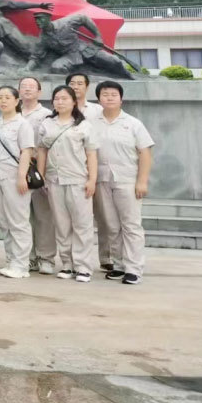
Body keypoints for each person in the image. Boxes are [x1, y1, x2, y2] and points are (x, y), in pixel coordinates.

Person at [94, 80, 154, 285]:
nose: (109, 98)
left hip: (127, 180)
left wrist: (142, 181)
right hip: (102, 180)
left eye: (113, 94)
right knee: (111, 225)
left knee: (131, 225)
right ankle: (119, 265)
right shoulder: (93, 122)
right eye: (105, 94)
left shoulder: (133, 123)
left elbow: (145, 152)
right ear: (99, 98)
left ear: (121, 98)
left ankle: (134, 268)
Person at [37, 85, 99, 283]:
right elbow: (42, 151)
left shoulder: (83, 125)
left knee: (82, 225)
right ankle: (66, 264)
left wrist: (92, 180)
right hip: (54, 180)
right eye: (57, 98)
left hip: (78, 180)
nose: (60, 102)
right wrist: (41, 176)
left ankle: (83, 266)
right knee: (62, 225)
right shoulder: (47, 124)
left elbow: (91, 154)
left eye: (64, 98)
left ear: (74, 102)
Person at [0, 85, 36, 279]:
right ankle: (11, 259)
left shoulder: (22, 124)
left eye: (8, 97)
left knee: (19, 221)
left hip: (15, 177)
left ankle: (22, 264)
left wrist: (22, 176)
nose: (3, 101)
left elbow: (27, 151)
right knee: (4, 220)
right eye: (0, 97)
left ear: (17, 101)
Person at [66, 71, 109, 273]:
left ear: (87, 86)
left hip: (98, 166)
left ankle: (107, 257)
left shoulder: (98, 110)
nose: (76, 86)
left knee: (104, 215)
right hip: (73, 171)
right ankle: (76, 261)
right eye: (72, 83)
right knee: (76, 220)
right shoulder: (62, 109)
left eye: (80, 83)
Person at [19, 76, 55, 274]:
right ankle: (29, 256)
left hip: (37, 169)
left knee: (43, 215)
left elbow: (46, 146)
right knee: (23, 217)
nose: (27, 90)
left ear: (40, 92)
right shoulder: (14, 112)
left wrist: (42, 172)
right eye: (23, 87)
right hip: (16, 170)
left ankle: (46, 257)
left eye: (31, 87)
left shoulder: (46, 115)